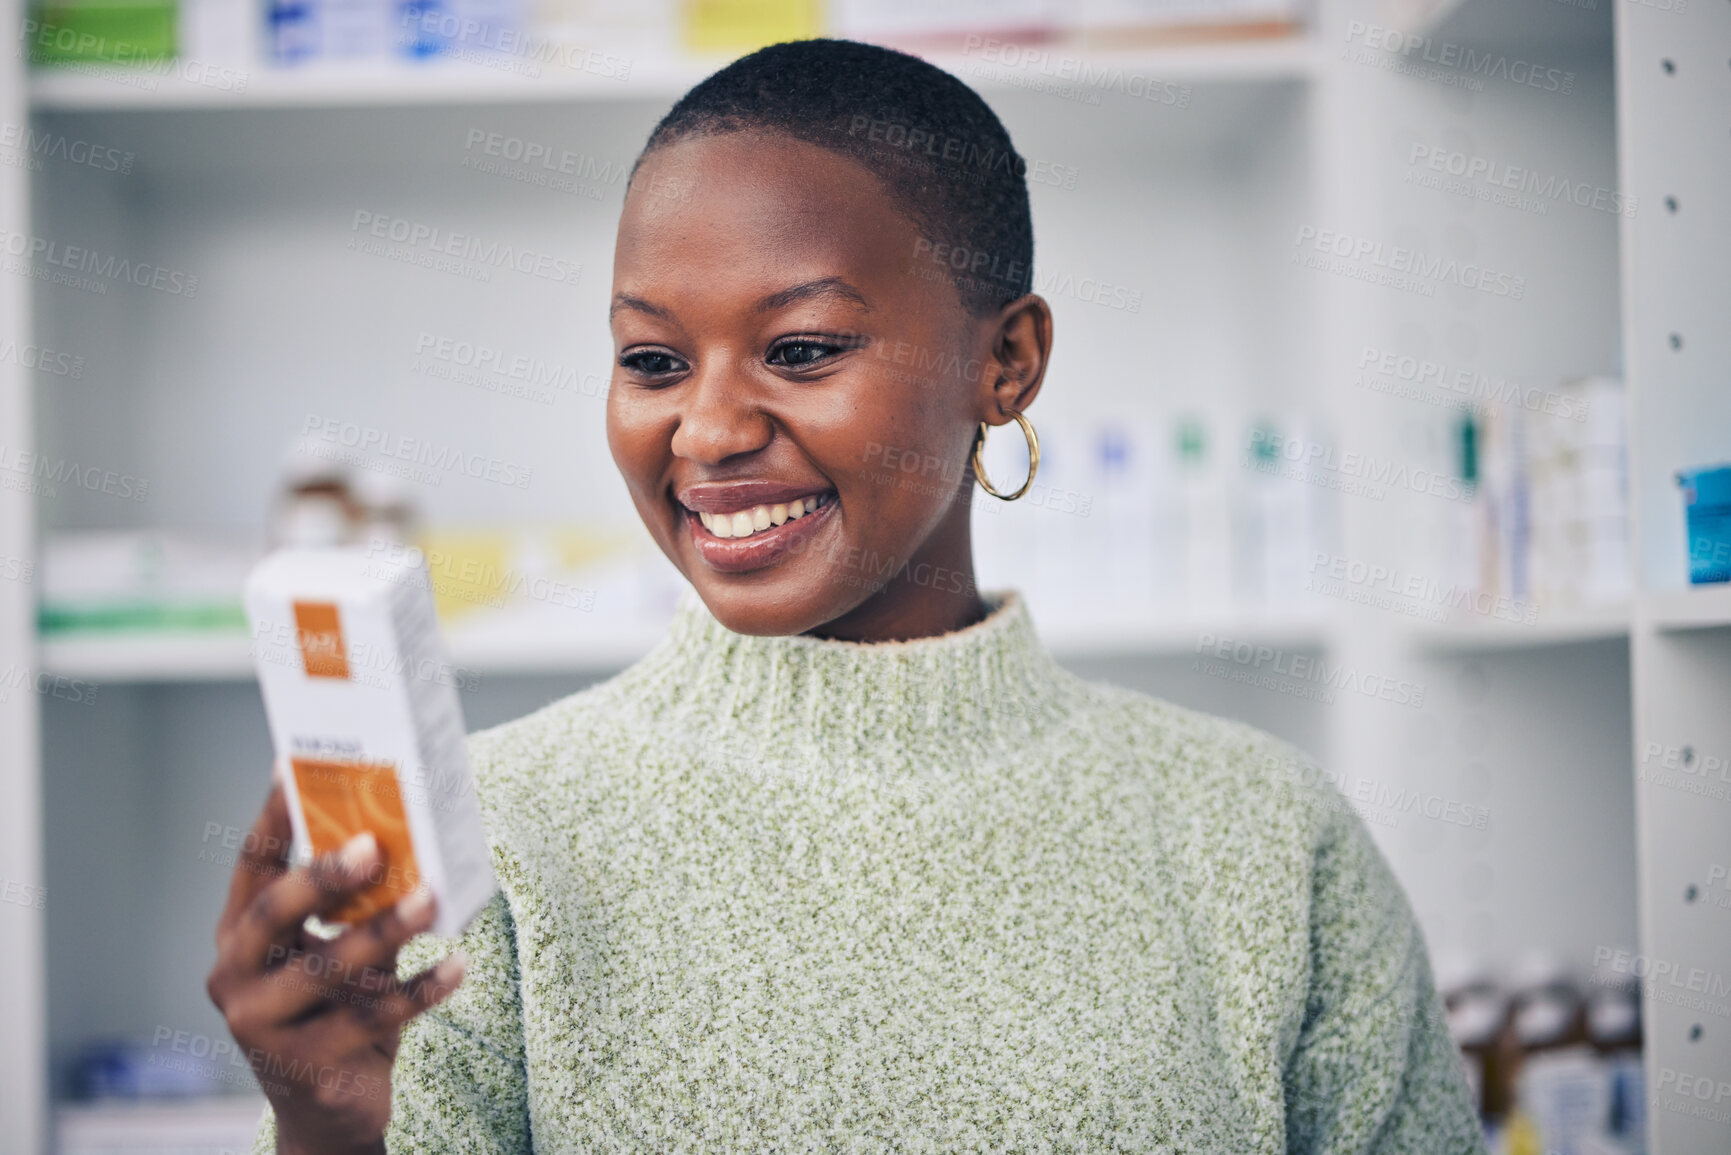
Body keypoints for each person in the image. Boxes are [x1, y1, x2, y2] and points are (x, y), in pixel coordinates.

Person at [210, 38, 1486, 1154]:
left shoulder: (1265, 839)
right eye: (653, 359)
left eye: (802, 349)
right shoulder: (486, 845)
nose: (705, 430)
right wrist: (331, 1140)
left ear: (1009, 361)